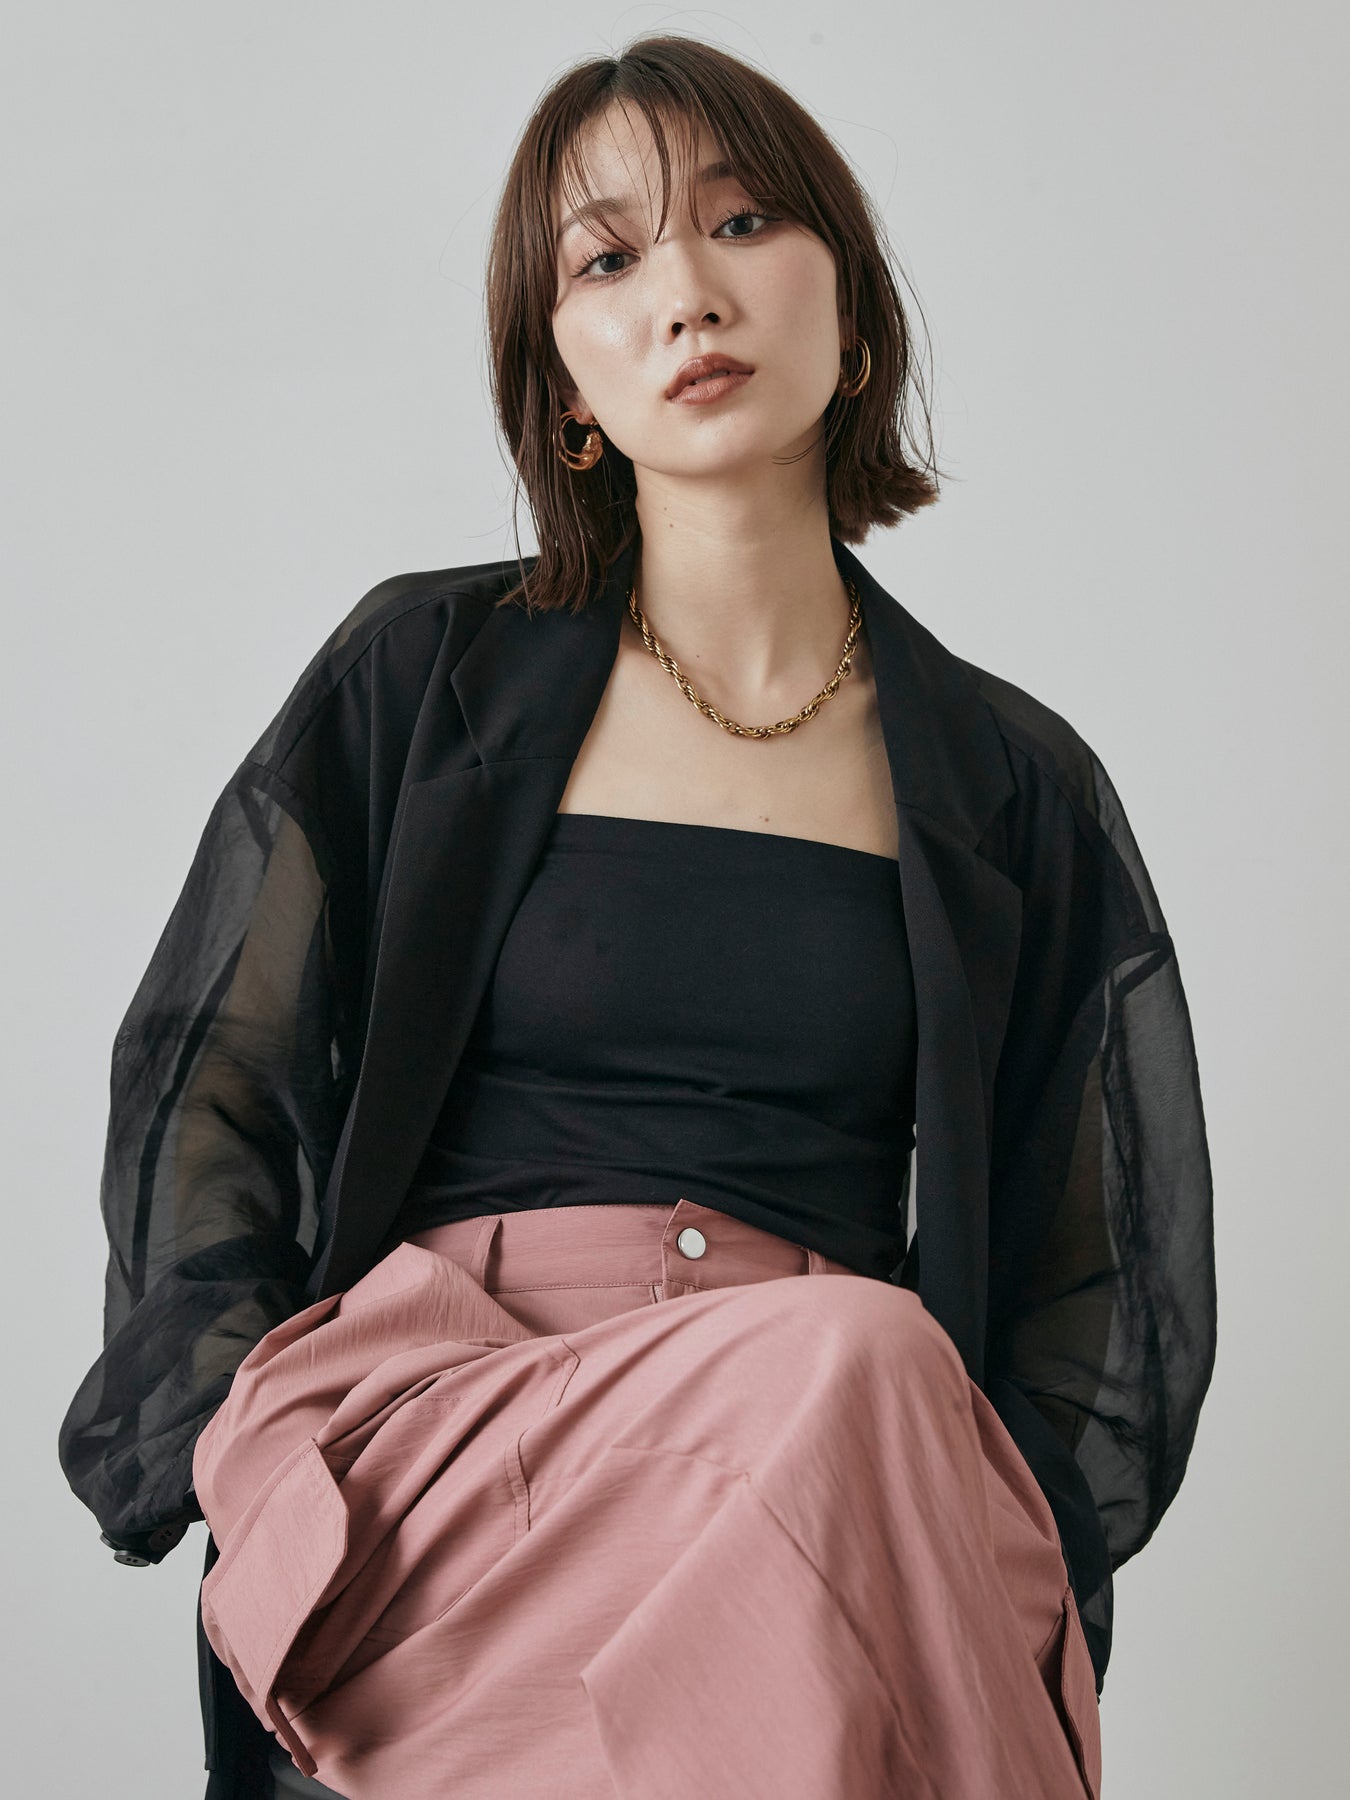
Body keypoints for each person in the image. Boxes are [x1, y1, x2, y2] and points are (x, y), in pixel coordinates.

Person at [56, 33, 1217, 1800]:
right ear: (565, 384)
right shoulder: (420, 681)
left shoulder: (1007, 785)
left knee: (857, 1388)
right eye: (608, 260)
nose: (686, 293)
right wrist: (256, 1446)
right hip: (455, 1459)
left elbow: (1097, 1275)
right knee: (864, 1360)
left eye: (741, 223)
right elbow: (209, 1083)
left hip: (836, 1482)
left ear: (852, 309)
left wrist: (989, 1528)